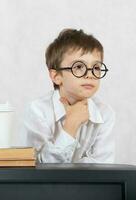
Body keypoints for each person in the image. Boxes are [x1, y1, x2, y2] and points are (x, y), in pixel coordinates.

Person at [21, 28, 115, 163]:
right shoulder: (38, 111)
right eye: (78, 67)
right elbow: (36, 169)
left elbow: (104, 170)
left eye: (96, 68)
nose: (89, 74)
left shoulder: (105, 114)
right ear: (57, 76)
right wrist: (71, 124)